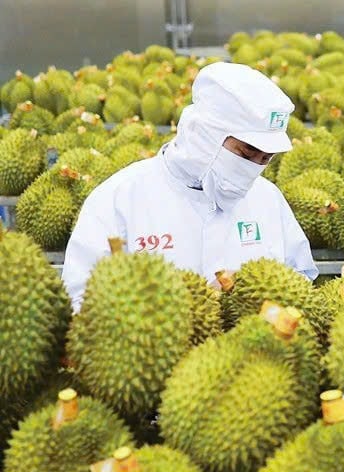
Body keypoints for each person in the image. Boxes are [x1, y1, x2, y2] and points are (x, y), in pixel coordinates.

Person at [62, 62, 318, 312]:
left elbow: (300, 281)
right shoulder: (117, 200)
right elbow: (80, 303)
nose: (253, 167)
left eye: (266, 159)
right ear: (204, 134)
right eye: (246, 153)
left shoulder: (268, 199)